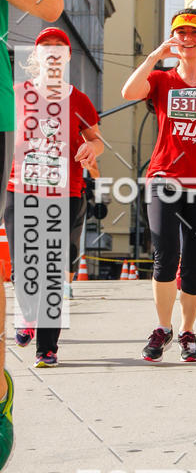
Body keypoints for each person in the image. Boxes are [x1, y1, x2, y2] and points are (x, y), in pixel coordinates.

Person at [122, 8, 196, 363]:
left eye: (194, 33)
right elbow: (128, 92)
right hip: (164, 178)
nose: (187, 39)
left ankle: (187, 332)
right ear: (174, 38)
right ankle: (163, 327)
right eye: (181, 33)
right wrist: (154, 56)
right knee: (165, 256)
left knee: (195, 263)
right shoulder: (163, 80)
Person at [0, 0, 64, 470]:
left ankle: (2, 384)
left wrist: (89, 151)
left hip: (55, 195)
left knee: (41, 262)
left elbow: (50, 1)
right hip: (23, 185)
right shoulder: (26, 93)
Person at [5, 28, 102, 364]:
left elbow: (97, 140)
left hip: (66, 194)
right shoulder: (16, 93)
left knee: (52, 270)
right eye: (46, 47)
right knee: (23, 268)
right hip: (20, 190)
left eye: (60, 48)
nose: (53, 52)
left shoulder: (79, 100)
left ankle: (47, 348)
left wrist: (91, 147)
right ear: (36, 57)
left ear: (68, 57)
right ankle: (28, 314)